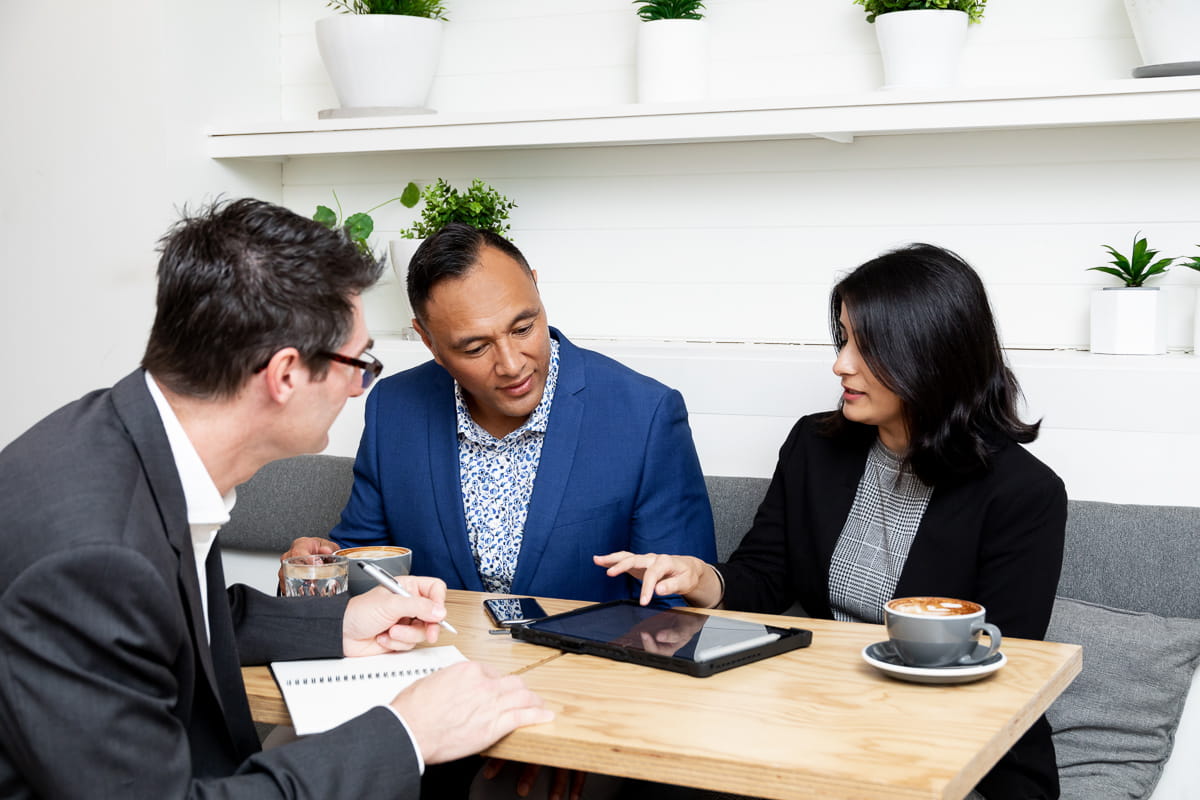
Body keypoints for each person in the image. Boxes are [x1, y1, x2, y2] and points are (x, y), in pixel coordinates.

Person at [0, 198, 552, 799]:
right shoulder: (93, 556)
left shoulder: (130, 440)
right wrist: (409, 733)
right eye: (358, 362)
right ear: (285, 374)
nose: (359, 388)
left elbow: (190, 624)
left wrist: (336, 625)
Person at [598, 244, 1067, 800]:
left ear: (932, 355)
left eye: (866, 347)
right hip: (819, 719)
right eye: (843, 338)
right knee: (659, 782)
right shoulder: (814, 446)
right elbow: (766, 577)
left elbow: (996, 664)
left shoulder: (1025, 494)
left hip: (958, 746)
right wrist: (699, 576)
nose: (841, 363)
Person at [282, 222, 716, 603]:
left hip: (590, 679)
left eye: (523, 328)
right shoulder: (394, 408)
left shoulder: (645, 415)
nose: (511, 364)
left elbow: (677, 601)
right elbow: (367, 568)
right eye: (475, 347)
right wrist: (319, 566)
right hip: (439, 672)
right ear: (428, 341)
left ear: (536, 286)